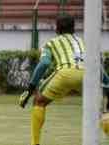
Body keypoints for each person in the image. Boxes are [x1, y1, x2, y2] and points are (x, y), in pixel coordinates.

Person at [19, 14, 85, 145]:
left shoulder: (51, 43)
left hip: (65, 73)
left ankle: (35, 143)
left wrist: (30, 89)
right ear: (73, 29)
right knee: (102, 109)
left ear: (57, 29)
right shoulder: (81, 41)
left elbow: (44, 64)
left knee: (39, 101)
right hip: (87, 75)